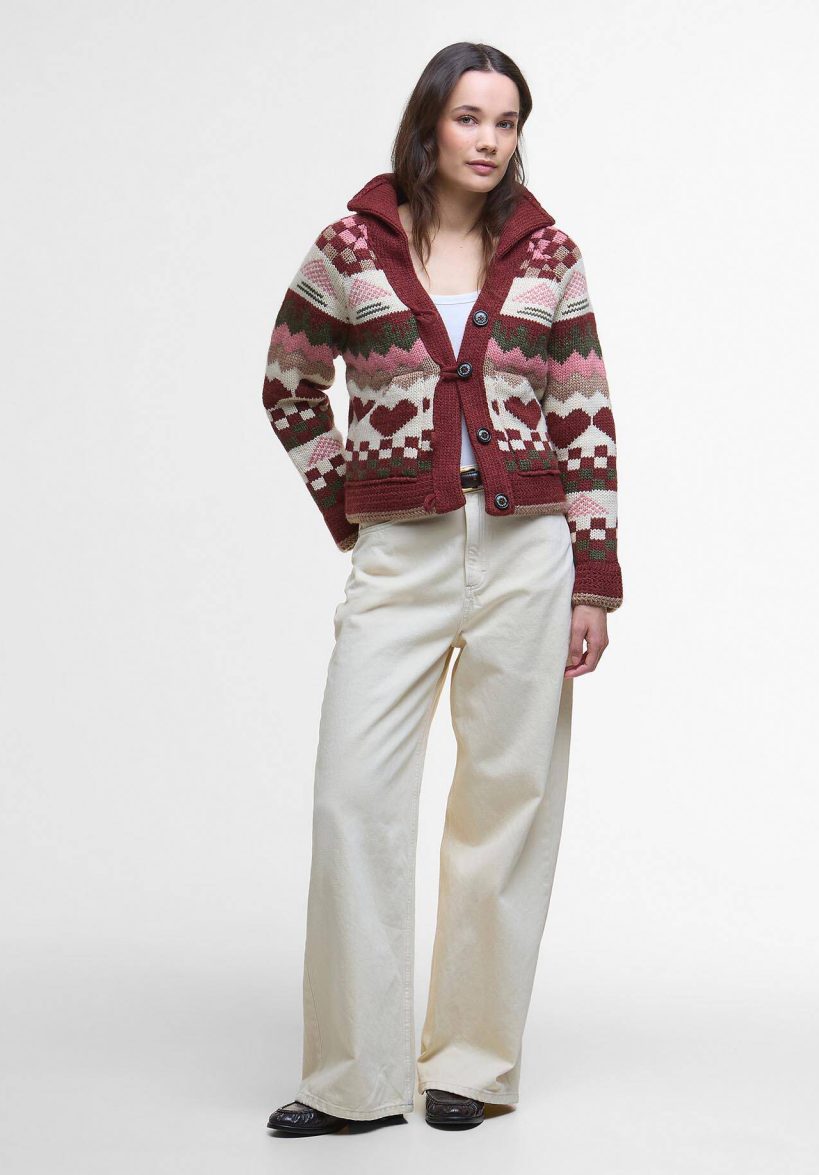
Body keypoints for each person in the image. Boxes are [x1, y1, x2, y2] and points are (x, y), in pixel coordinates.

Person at [260, 41, 623, 1135]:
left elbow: (585, 417)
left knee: (505, 806)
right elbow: (288, 384)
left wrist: (592, 579)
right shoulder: (350, 246)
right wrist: (355, 505)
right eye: (470, 117)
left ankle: (469, 1062)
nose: (489, 140)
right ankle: (354, 1080)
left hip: (528, 552)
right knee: (353, 799)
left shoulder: (549, 251)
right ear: (428, 124)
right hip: (403, 556)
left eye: (507, 122)